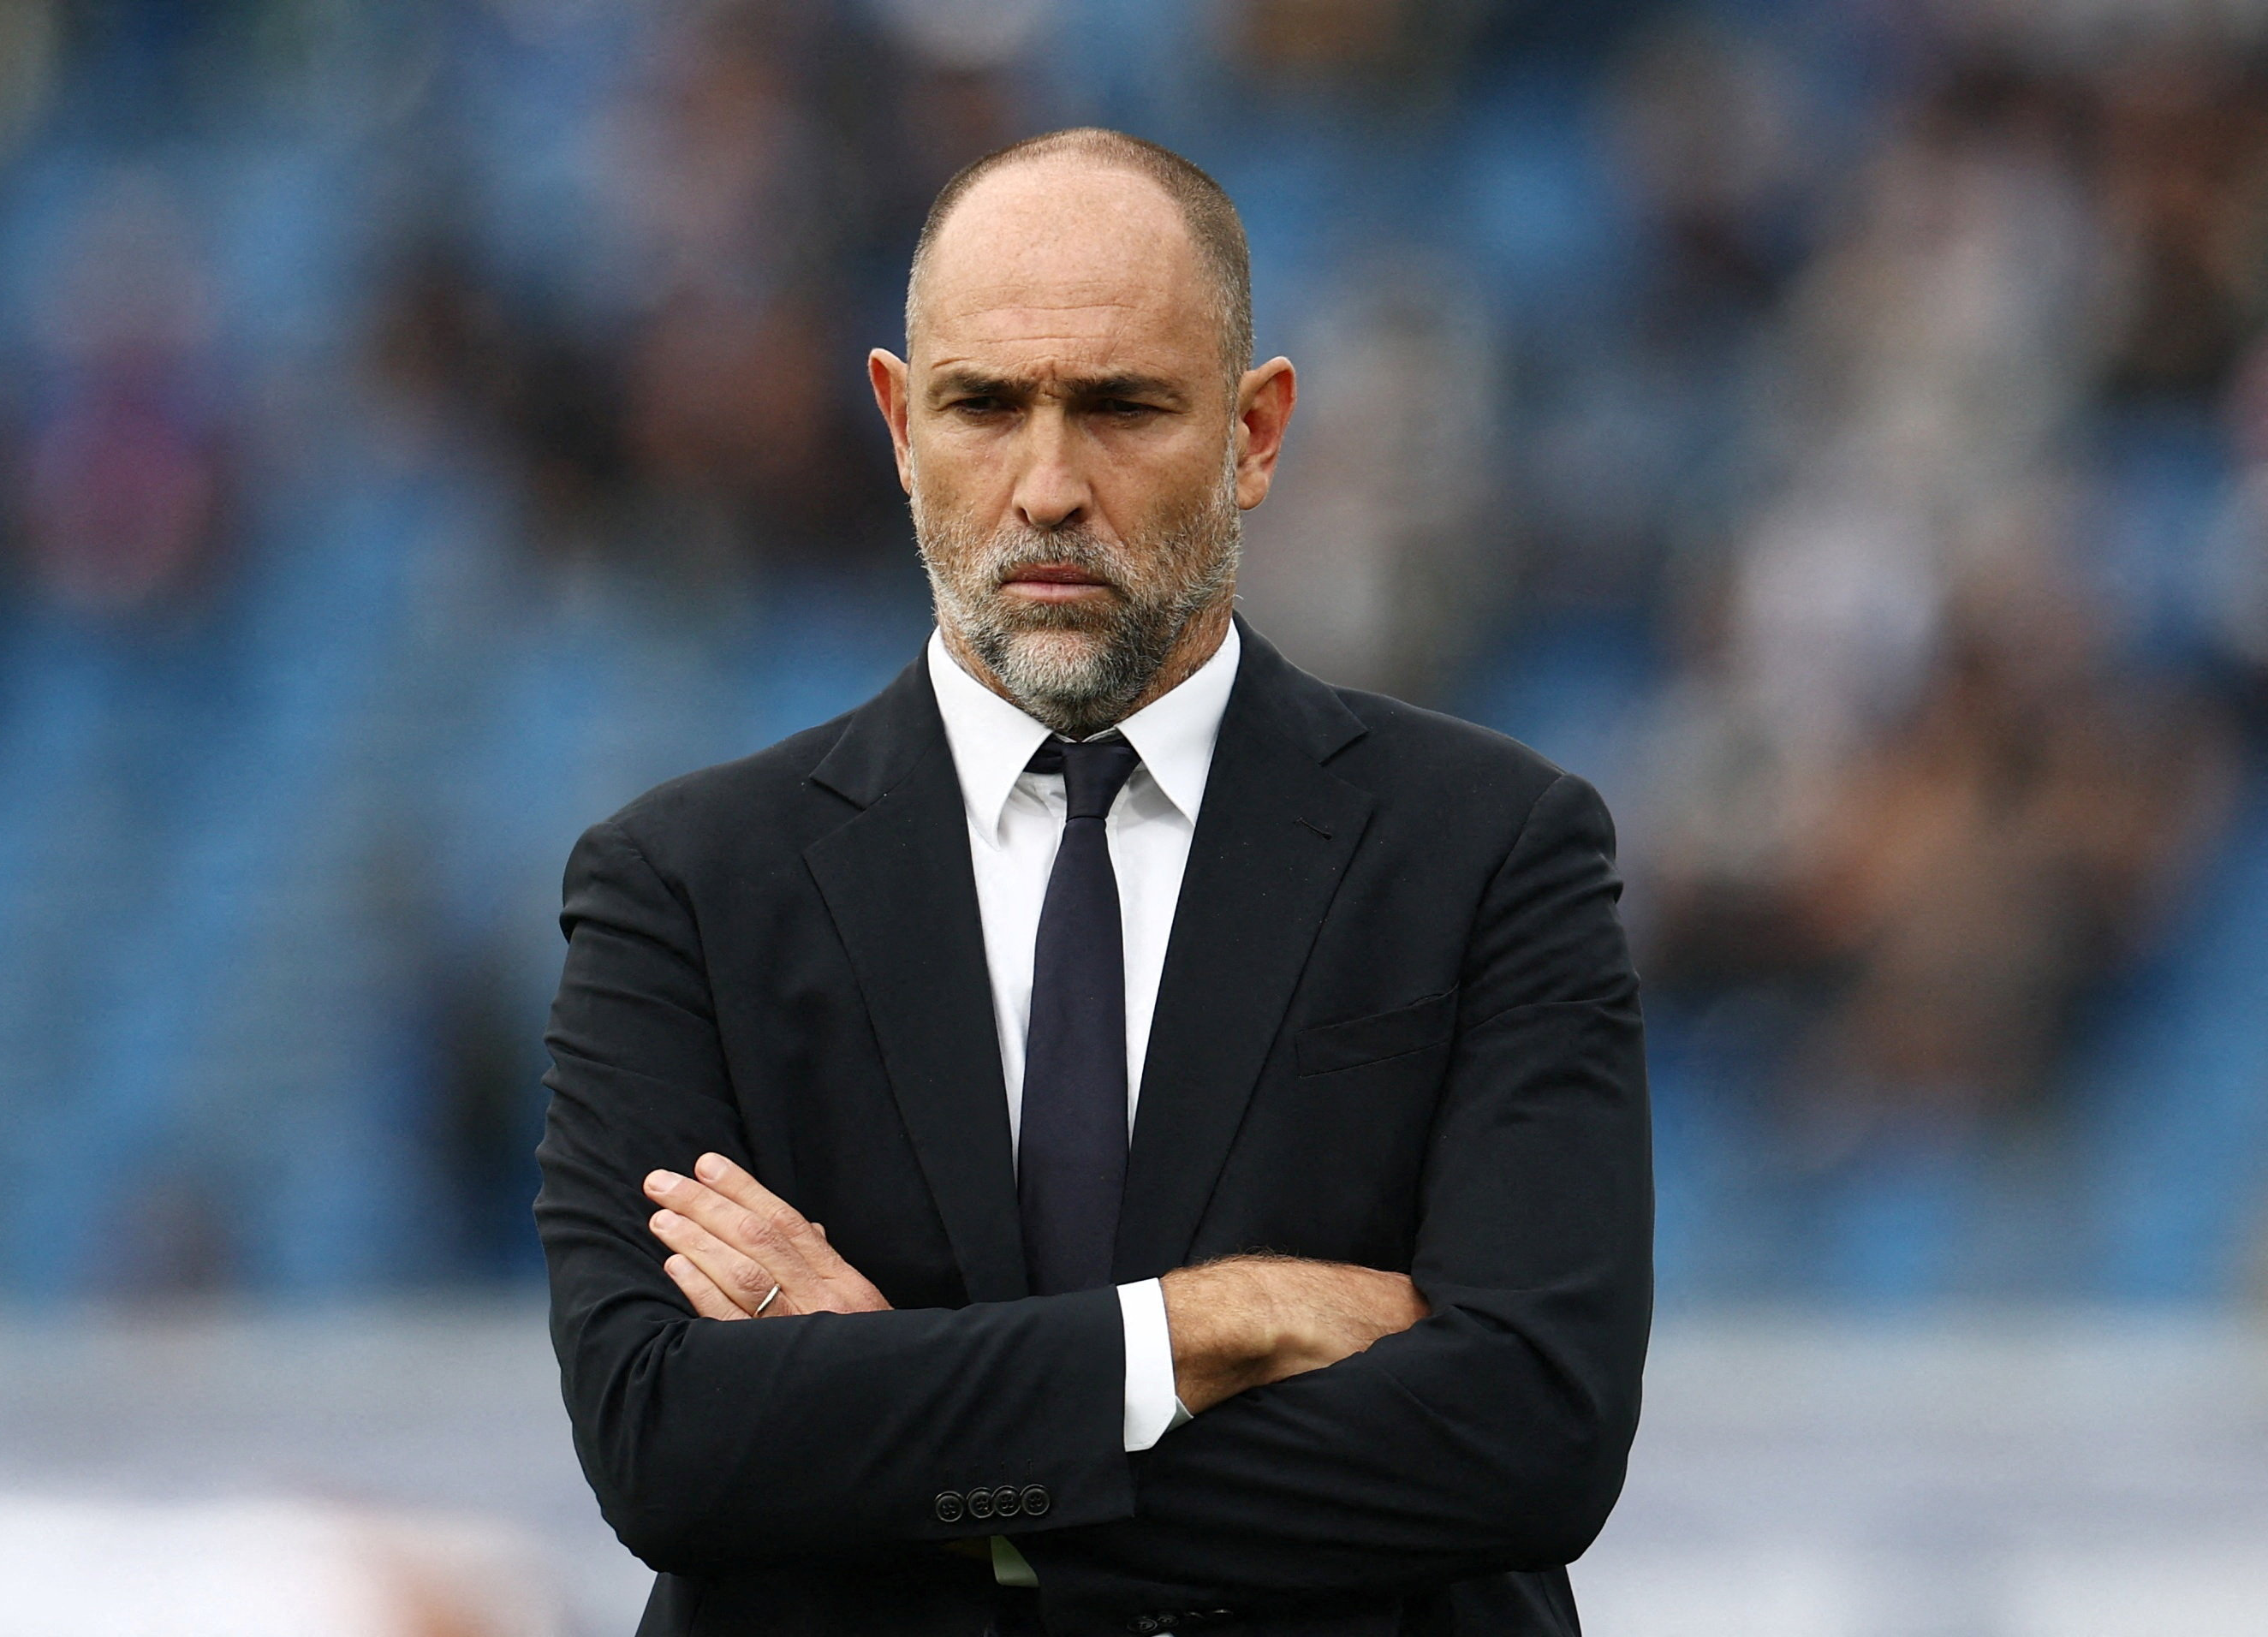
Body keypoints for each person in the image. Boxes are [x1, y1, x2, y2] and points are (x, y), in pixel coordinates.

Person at [536, 128, 1652, 1637]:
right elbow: (667, 1447)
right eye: (984, 406)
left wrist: (898, 1430)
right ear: (896, 422)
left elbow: (1529, 1439)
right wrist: (1198, 1332)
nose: (1047, 486)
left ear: (1256, 435)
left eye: (1121, 407)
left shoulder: (1489, 850)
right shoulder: (685, 888)